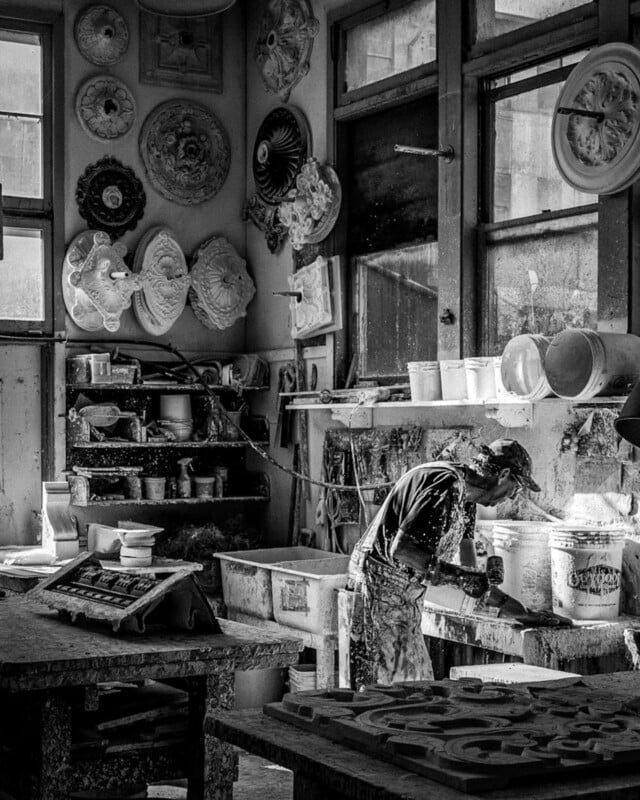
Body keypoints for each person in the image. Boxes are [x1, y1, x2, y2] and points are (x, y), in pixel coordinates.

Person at [347, 438, 568, 690]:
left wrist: (523, 613)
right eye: (515, 488)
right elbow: (403, 549)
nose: (511, 497)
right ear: (503, 473)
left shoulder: (467, 501)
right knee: (393, 692)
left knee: (416, 687)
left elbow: (469, 575)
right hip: (378, 590)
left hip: (404, 598)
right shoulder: (445, 484)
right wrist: (460, 576)